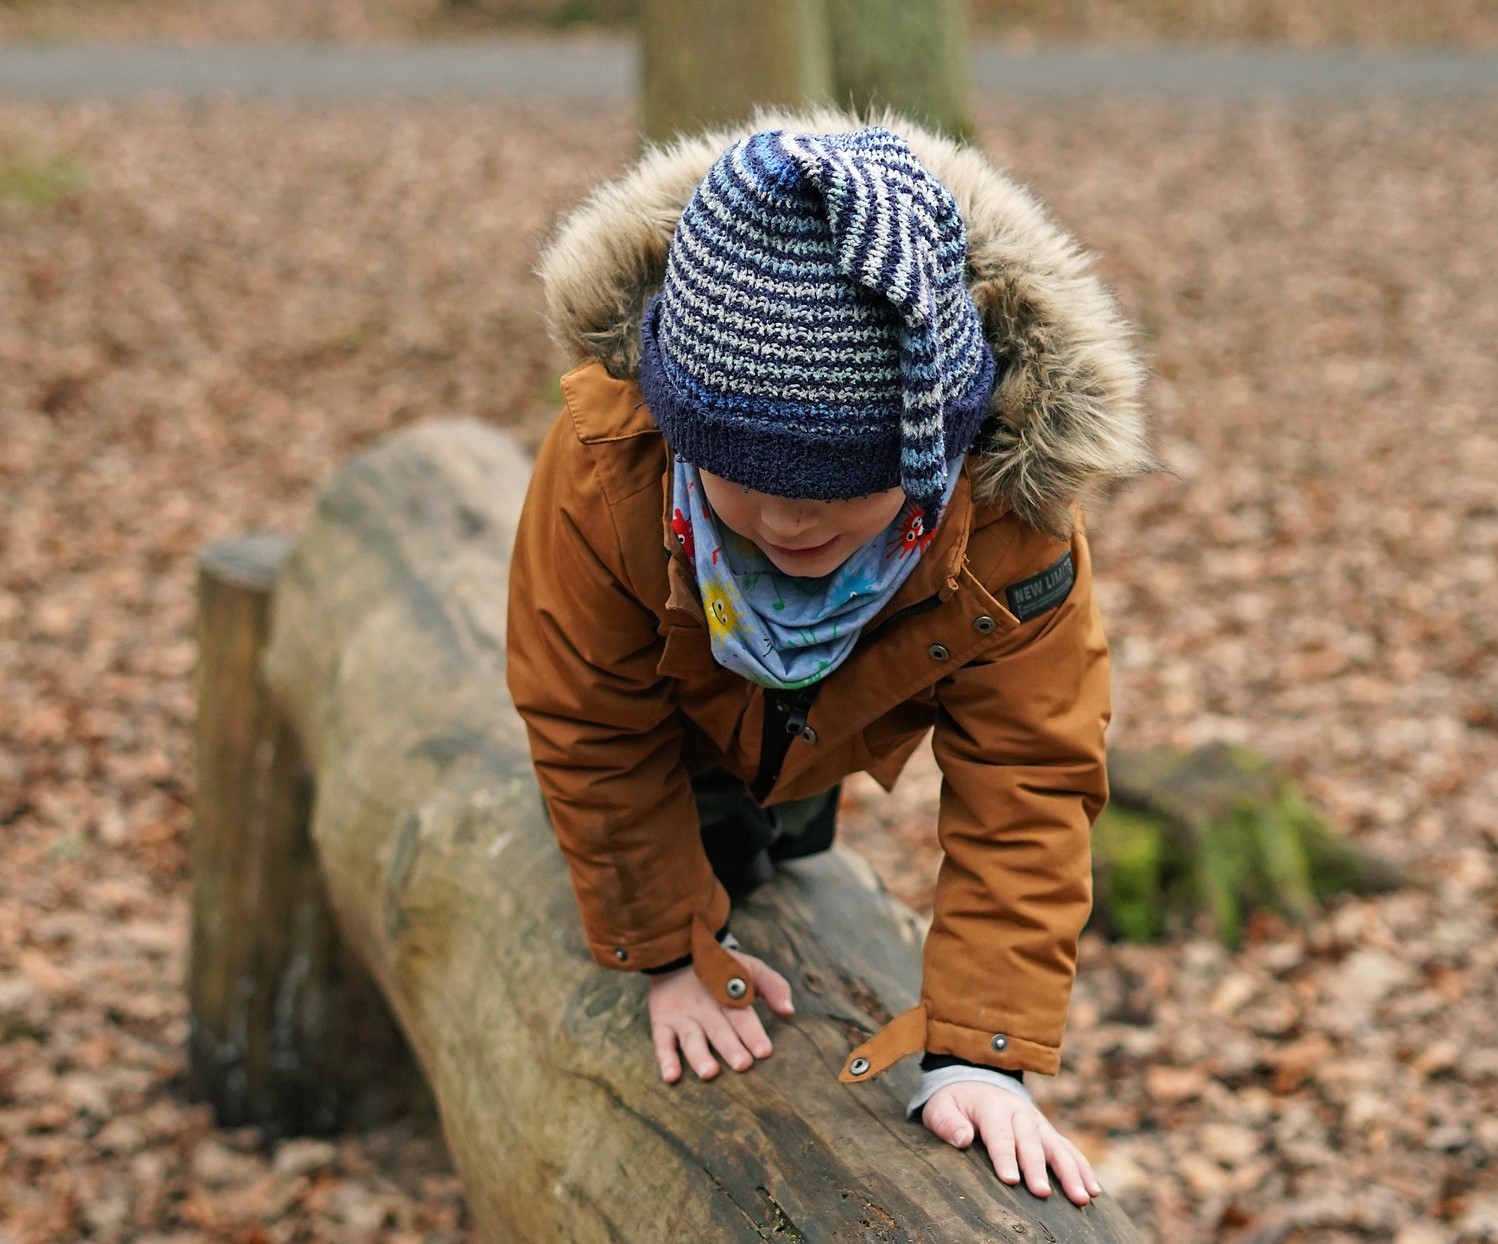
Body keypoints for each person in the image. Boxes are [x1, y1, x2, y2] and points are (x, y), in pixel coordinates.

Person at [507, 110, 1151, 1209]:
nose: (787, 519)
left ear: (936, 446)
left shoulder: (1010, 523)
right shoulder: (608, 468)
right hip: (677, 705)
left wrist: (979, 1050)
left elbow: (1029, 776)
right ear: (680, 426)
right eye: (743, 474)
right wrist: (665, 947)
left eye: (837, 484)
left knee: (782, 841)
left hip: (832, 718)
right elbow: (588, 715)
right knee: (706, 841)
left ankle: (766, 814)